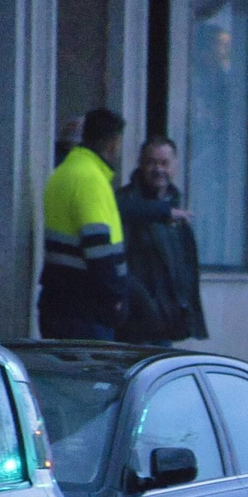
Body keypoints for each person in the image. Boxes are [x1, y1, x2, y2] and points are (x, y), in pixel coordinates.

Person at [39, 108, 129, 339]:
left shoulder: (62, 173)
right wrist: (116, 298)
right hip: (86, 311)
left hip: (58, 302)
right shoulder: (90, 180)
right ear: (113, 143)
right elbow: (98, 250)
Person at [116, 137, 208, 343]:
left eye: (164, 163)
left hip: (167, 322)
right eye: (151, 162)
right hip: (134, 323)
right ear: (140, 163)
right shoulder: (124, 203)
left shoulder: (176, 207)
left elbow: (186, 269)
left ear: (174, 165)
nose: (158, 169)